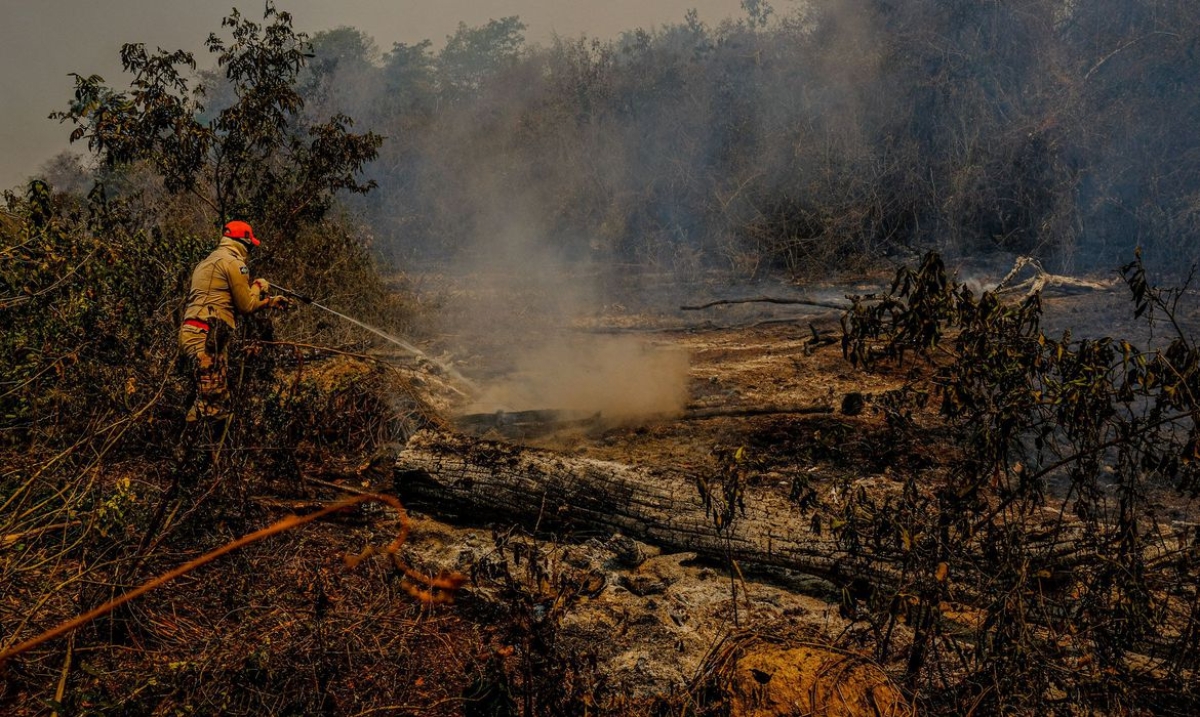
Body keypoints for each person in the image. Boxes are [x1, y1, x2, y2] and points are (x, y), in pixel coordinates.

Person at [179, 220, 290, 421]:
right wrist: (258, 285)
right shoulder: (235, 263)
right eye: (250, 246)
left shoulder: (205, 262)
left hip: (191, 334)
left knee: (205, 401)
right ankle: (195, 448)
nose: (250, 252)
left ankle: (190, 443)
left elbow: (220, 298)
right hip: (207, 339)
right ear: (243, 243)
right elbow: (246, 306)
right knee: (215, 410)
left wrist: (270, 302)